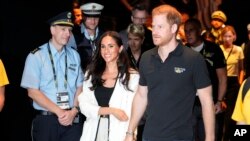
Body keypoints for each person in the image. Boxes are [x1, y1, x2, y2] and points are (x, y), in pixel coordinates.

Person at [125, 4, 215, 141]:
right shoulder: (146, 57)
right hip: (150, 136)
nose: (154, 31)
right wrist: (130, 132)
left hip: (181, 137)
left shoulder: (193, 59)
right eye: (153, 26)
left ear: (173, 28)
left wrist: (210, 138)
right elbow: (141, 96)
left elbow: (206, 101)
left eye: (160, 27)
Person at [20, 11, 84, 141]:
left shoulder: (74, 55)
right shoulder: (36, 56)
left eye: (70, 30)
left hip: (72, 120)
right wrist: (59, 112)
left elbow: (80, 87)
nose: (67, 34)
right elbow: (32, 92)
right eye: (63, 29)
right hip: (47, 121)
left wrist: (74, 111)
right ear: (52, 30)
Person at [78, 31, 139, 141]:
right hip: (93, 131)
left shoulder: (132, 77)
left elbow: (134, 110)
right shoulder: (91, 73)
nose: (106, 51)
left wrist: (132, 133)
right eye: (103, 46)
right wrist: (112, 111)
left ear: (120, 48)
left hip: (120, 132)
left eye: (111, 46)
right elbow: (83, 105)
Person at [184, 18, 227, 141]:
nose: (188, 34)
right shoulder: (183, 51)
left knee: (208, 137)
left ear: (199, 31)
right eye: (186, 31)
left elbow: (222, 78)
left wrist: (219, 101)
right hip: (189, 105)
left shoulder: (214, 49)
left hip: (209, 103)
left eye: (191, 30)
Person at [219, 25, 244, 141]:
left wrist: (239, 83)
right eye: (225, 36)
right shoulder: (219, 48)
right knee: (219, 111)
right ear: (222, 37)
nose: (227, 38)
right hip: (221, 81)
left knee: (231, 113)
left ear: (234, 37)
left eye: (230, 36)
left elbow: (241, 69)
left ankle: (228, 137)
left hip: (233, 82)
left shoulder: (238, 50)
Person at [69, 2, 105, 71]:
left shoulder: (104, 35)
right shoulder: (74, 35)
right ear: (83, 17)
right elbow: (70, 64)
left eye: (96, 18)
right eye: (89, 18)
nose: (93, 21)